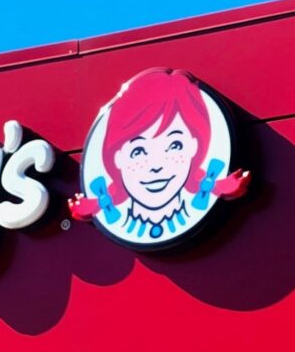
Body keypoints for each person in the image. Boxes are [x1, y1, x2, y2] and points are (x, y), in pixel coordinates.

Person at [69, 68, 250, 240]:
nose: (156, 165)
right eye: (138, 151)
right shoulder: (115, 218)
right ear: (117, 157)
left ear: (194, 147)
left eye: (174, 146)